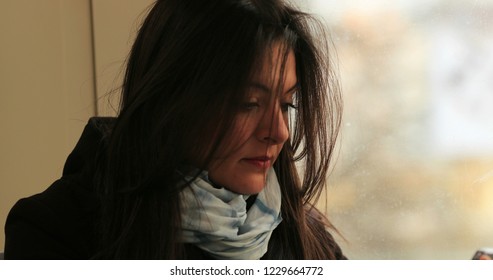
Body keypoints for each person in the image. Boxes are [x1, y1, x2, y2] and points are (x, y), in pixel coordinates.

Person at [4, 0, 344, 259]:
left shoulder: (305, 237)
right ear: (172, 99)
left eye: (287, 105)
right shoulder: (57, 231)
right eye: (248, 103)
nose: (279, 132)